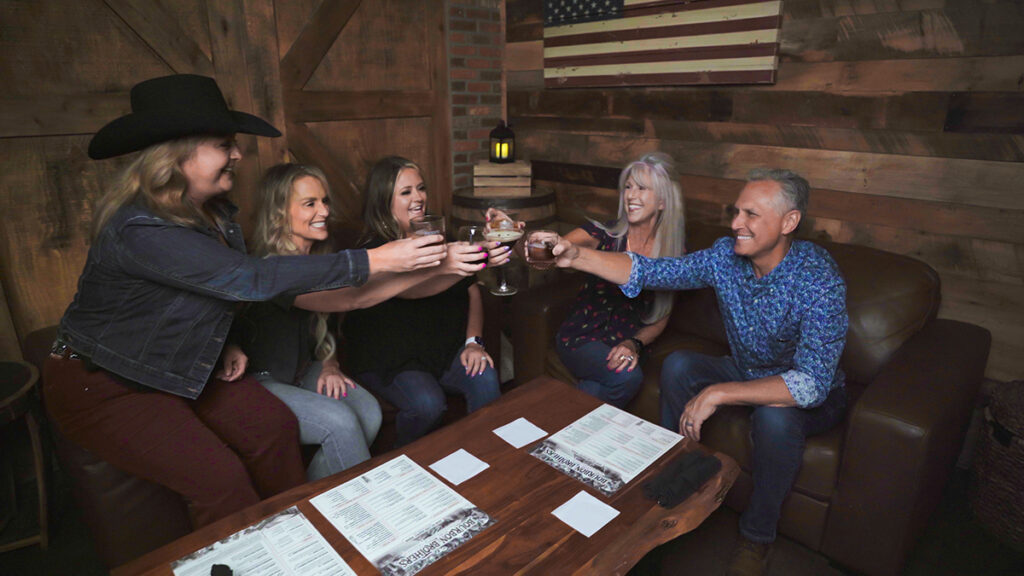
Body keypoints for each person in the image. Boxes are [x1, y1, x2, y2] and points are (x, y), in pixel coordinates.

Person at [42, 74, 445, 528]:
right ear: (175, 154)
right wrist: (373, 260)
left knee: (273, 427)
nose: (236, 154)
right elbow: (247, 277)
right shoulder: (141, 227)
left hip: (181, 367)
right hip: (106, 385)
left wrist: (225, 340)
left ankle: (299, 534)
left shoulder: (214, 214)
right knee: (223, 482)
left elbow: (204, 296)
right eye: (222, 144)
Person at [551, 168, 848, 576]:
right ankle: (675, 476)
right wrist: (577, 255)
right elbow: (654, 272)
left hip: (808, 390)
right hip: (744, 368)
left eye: (751, 215)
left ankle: (756, 537)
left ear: (789, 222)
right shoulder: (726, 256)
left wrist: (719, 393)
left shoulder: (818, 279)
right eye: (736, 211)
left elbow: (811, 383)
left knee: (775, 417)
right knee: (679, 364)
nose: (735, 224)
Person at [236, 163, 490, 480]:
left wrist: (328, 363)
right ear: (277, 213)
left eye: (325, 200)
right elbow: (354, 299)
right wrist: (439, 267)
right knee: (341, 422)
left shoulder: (319, 258)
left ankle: (315, 495)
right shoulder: (273, 268)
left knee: (369, 413)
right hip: (263, 379)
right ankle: (371, 499)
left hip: (304, 371)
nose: (324, 211)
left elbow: (323, 323)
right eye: (310, 203)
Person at [342, 156, 502, 447]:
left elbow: (471, 290)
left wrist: (473, 342)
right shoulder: (374, 250)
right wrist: (471, 262)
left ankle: (486, 455)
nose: (418, 198)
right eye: (406, 192)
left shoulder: (438, 235)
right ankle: (406, 465)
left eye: (421, 188)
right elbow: (411, 291)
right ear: (383, 201)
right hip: (392, 355)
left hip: (444, 346)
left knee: (486, 377)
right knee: (428, 404)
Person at [552, 152, 684, 408]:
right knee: (627, 377)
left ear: (663, 202)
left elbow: (662, 315)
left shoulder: (674, 254)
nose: (631, 196)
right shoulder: (602, 233)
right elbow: (552, 251)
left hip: (626, 344)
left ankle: (566, 427)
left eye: (642, 188)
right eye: (628, 187)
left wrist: (633, 343)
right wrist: (533, 242)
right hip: (582, 338)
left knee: (594, 388)